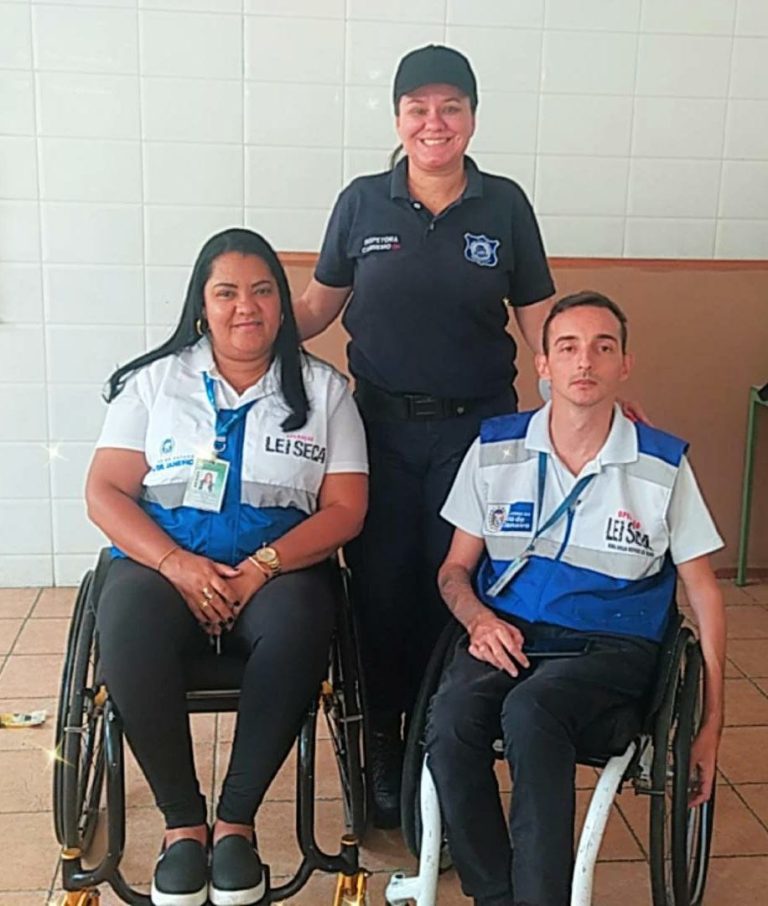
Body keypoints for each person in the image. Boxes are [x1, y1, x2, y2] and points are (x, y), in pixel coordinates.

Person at [293, 44, 555, 828]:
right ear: (398, 117)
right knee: (381, 589)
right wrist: (223, 335)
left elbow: (541, 323)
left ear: (471, 116)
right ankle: (383, 744)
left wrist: (590, 391)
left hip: (479, 433)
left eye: (451, 107)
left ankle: (443, 750)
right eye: (418, 108)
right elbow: (316, 309)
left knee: (462, 586)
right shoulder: (362, 203)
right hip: (377, 432)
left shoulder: (505, 205)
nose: (434, 122)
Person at [85, 228, 368, 906]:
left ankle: (237, 823)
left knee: (303, 620)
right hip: (165, 565)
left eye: (263, 291)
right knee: (125, 621)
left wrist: (261, 568)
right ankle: (183, 826)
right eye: (227, 293)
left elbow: (346, 509)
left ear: (283, 305)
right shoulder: (155, 383)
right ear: (202, 306)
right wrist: (178, 565)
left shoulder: (326, 392)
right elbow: (104, 492)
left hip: (278, 571)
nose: (246, 306)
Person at [427, 292, 726, 906]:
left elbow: (703, 590)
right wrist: (478, 620)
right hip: (507, 630)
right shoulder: (496, 449)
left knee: (532, 710)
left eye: (602, 347)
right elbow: (454, 570)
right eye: (567, 347)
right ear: (543, 364)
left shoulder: (660, 464)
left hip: (613, 644)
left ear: (625, 364)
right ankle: (496, 895)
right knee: (451, 722)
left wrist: (712, 723)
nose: (584, 361)